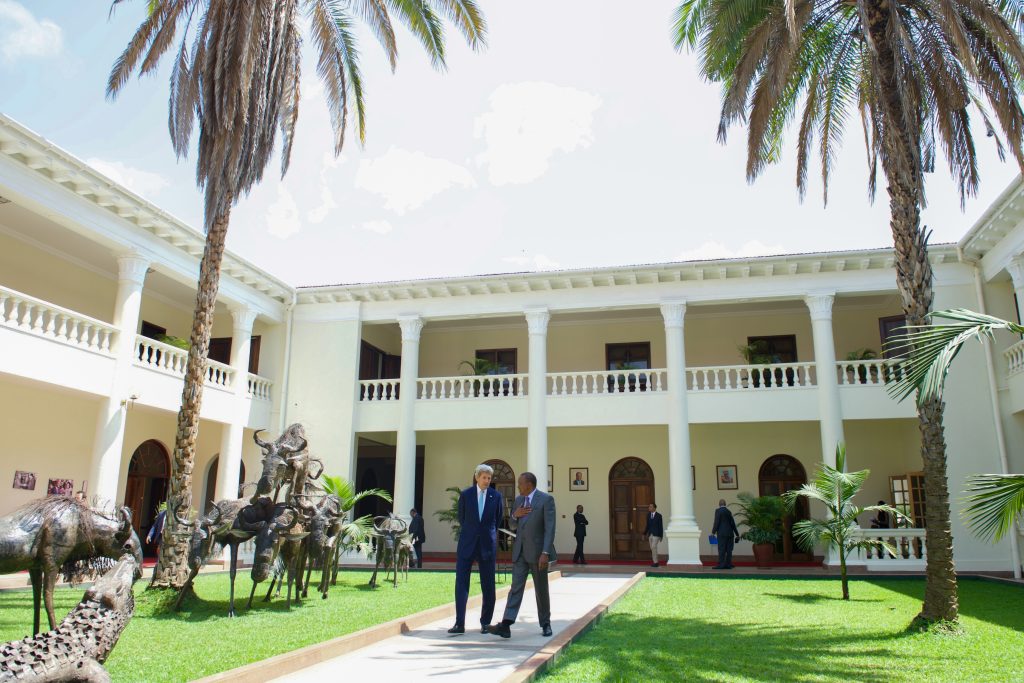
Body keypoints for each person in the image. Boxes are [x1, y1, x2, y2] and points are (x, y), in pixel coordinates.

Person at [487, 472, 556, 639]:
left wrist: (545, 553)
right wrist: (514, 515)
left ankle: (545, 623)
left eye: (520, 483)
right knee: (515, 588)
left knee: (541, 589)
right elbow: (512, 526)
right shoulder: (518, 500)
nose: (518, 486)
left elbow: (550, 529)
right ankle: (506, 624)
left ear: (529, 485)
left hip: (538, 554)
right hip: (519, 553)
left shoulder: (546, 500)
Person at [449, 464, 504, 635]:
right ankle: (459, 623)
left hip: (487, 545)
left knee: (488, 585)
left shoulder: (496, 496)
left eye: (489, 478)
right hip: (467, 544)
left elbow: (498, 519)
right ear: (477, 477)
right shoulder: (466, 495)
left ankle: (485, 623)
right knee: (461, 583)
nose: (487, 481)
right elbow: (462, 517)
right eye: (484, 478)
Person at [711, 499, 740, 569]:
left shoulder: (718, 511)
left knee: (721, 549)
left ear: (719, 504)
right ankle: (728, 564)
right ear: (725, 504)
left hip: (722, 534)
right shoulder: (728, 511)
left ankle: (721, 565)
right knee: (729, 550)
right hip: (730, 533)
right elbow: (732, 523)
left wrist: (713, 532)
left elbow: (716, 522)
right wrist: (737, 534)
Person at [643, 503, 663, 567]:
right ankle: (655, 561)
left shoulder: (659, 515)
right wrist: (644, 533)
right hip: (650, 534)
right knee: (652, 548)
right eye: (649, 507)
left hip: (656, 534)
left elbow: (660, 526)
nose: (649, 508)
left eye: (651, 507)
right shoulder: (648, 515)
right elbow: (647, 525)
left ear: (654, 508)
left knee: (654, 547)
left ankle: (656, 562)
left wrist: (661, 535)